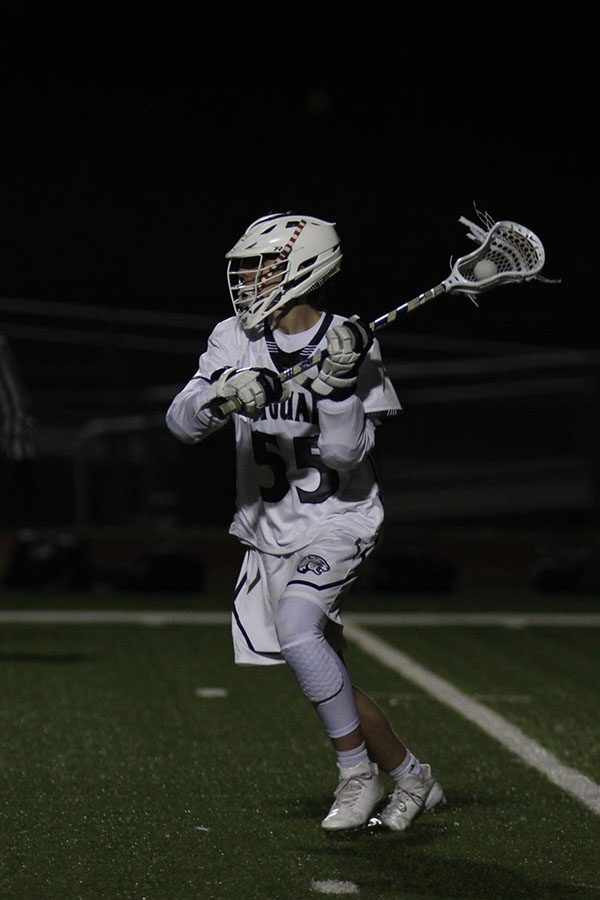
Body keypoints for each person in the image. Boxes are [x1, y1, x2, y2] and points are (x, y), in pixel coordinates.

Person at [166, 213, 445, 831]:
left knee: (297, 627)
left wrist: (340, 391)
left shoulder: (351, 341)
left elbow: (347, 460)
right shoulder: (232, 339)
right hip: (269, 530)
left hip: (337, 520)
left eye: (258, 267)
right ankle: (411, 776)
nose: (245, 280)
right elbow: (180, 424)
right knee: (326, 668)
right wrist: (222, 395)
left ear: (305, 268)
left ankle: (356, 774)